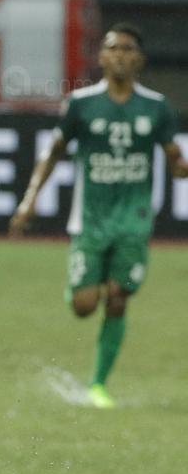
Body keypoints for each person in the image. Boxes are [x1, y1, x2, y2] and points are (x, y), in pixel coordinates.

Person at [10, 23, 187, 408]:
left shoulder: (156, 107)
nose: (120, 54)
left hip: (135, 219)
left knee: (120, 298)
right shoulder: (81, 103)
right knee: (85, 306)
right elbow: (54, 152)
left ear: (139, 59)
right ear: (102, 57)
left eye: (128, 48)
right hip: (90, 219)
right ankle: (82, 286)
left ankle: (98, 385)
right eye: (113, 48)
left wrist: (179, 167)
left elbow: (175, 158)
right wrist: (30, 199)